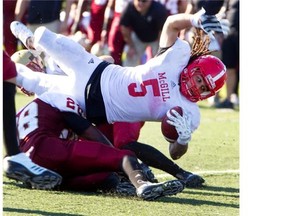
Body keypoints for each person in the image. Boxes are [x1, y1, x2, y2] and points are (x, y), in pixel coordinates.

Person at [10, 8, 227, 162]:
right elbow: (171, 23)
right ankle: (31, 43)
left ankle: (12, 68)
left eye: (205, 89)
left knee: (35, 82)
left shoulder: (189, 112)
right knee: (47, 39)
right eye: (200, 79)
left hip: (93, 105)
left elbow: (175, 152)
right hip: (96, 70)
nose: (199, 87)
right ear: (194, 68)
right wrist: (195, 20)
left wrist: (182, 140)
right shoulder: (177, 57)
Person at [11, 56, 184, 200]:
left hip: (30, 164)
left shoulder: (24, 110)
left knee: (105, 179)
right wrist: (113, 156)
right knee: (125, 156)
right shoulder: (60, 94)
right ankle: (143, 185)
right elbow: (84, 129)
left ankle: (114, 180)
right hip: (50, 148)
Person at [2, 50, 62, 190]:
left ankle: (14, 155)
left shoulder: (54, 63)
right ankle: (14, 156)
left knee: (6, 67)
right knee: (6, 68)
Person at [120, 0, 168, 66]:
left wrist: (160, 48)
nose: (140, 3)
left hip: (157, 39)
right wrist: (131, 46)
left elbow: (163, 31)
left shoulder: (159, 9)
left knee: (161, 61)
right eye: (138, 0)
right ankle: (126, 75)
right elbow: (124, 27)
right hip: (138, 36)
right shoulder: (129, 7)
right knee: (129, 58)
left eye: (144, 1)